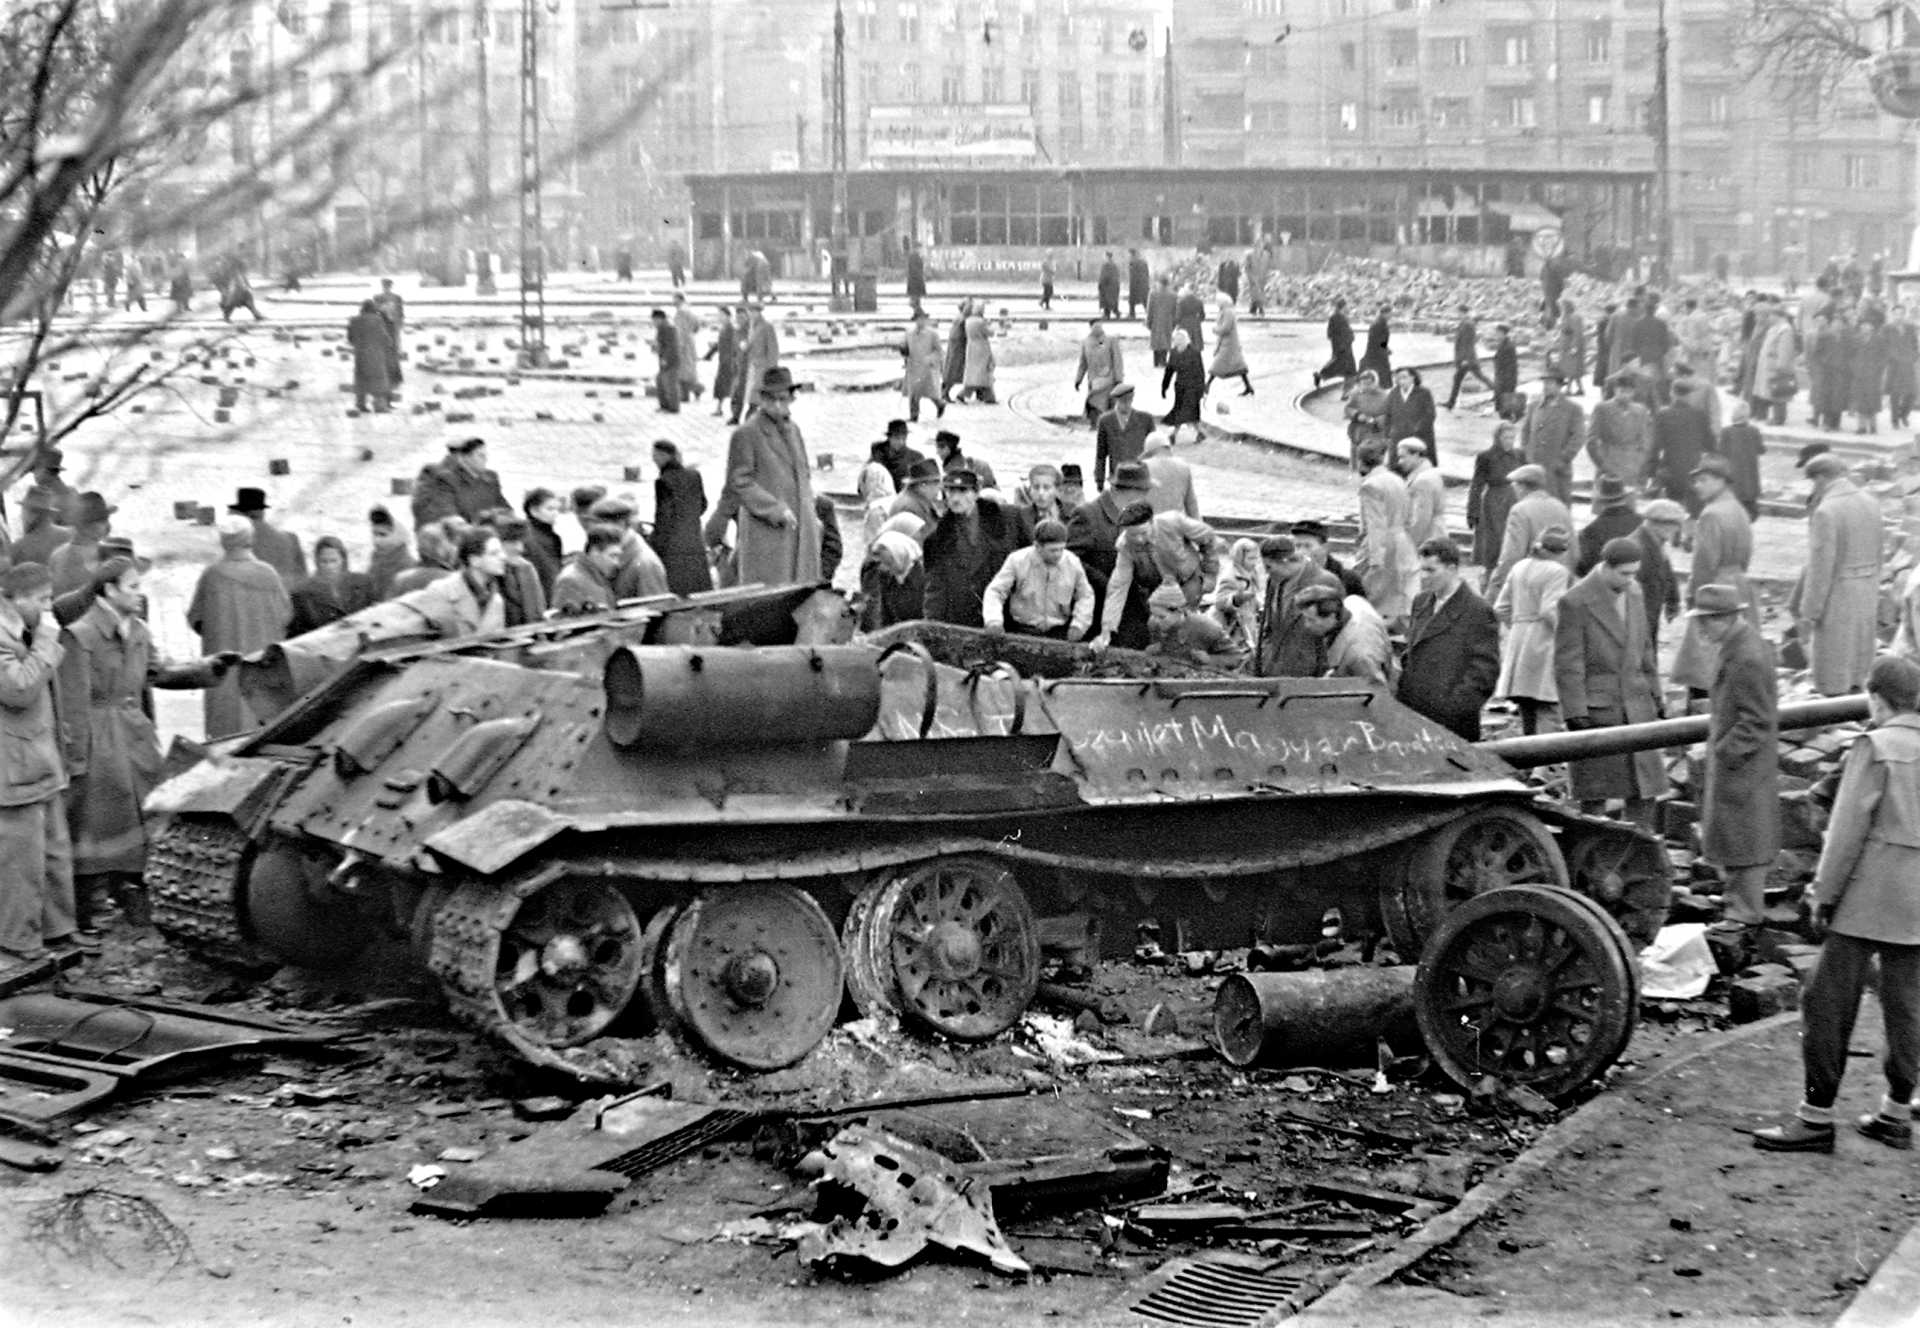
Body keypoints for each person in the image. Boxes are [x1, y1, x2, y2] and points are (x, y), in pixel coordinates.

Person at [1751, 655, 1920, 1154]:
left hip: (1869, 894)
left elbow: (1846, 833)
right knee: (1908, 1007)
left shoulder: (1876, 746)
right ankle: (1895, 1114)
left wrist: (1822, 896)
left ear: (1876, 697)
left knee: (1825, 1002)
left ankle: (1816, 1116)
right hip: (1917, 902)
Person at [58, 557, 231, 931]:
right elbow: (71, 703)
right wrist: (75, 758)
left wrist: (207, 669)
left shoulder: (138, 630)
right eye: (133, 586)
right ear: (109, 590)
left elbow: (158, 673)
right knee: (96, 818)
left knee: (142, 811)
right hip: (97, 735)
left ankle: (128, 890)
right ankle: (92, 902)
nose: (140, 594)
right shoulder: (79, 635)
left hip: (133, 734)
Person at [1556, 536, 1668, 829]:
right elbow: (1568, 663)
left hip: (1638, 706)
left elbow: (1645, 649)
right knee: (1595, 794)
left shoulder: (1635, 593)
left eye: (1634, 573)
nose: (1631, 580)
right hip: (1599, 713)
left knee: (1645, 792)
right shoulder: (1575, 601)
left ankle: (1641, 859)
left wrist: (1656, 695)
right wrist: (1575, 712)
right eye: (1624, 573)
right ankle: (1593, 860)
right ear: (1606, 566)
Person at [1689, 583, 1779, 935]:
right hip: (1742, 764)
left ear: (1724, 618)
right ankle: (1737, 904)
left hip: (1743, 765)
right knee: (1738, 836)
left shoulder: (1746, 657)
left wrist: (1725, 750)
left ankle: (1743, 913)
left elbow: (1758, 719)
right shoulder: (1741, 645)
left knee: (1745, 839)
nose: (1702, 629)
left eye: (1706, 622)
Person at [0, 563, 77, 962]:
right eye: (43, 600)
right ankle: (21, 943)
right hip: (11, 769)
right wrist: (47, 639)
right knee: (21, 864)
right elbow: (17, 689)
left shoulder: (24, 631)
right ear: (18, 599)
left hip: (39, 761)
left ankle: (59, 932)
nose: (49, 608)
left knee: (52, 855)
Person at [187, 517, 292, 739]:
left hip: (223, 674)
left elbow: (195, 619)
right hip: (261, 669)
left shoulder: (212, 576)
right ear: (250, 539)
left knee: (224, 735)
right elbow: (286, 616)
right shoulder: (268, 574)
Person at [1671, 456, 1758, 698]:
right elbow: (1747, 553)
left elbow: (1704, 563)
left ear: (1722, 481)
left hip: (1715, 586)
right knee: (1735, 649)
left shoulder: (1711, 514)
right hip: (1739, 583)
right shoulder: (1737, 508)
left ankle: (1700, 712)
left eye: (1704, 480)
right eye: (1696, 481)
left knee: (1703, 662)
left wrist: (1693, 595)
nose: (1697, 486)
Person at [723, 366, 819, 586]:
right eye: (772, 399)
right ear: (762, 399)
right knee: (771, 598)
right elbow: (740, 482)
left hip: (801, 532)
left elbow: (804, 474)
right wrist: (775, 509)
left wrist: (810, 514)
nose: (778, 405)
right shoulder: (747, 434)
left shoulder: (794, 430)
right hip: (768, 535)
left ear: (791, 399)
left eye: (783, 399)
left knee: (802, 593)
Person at [1399, 538, 1502, 741]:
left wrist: (1453, 708)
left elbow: (1484, 673)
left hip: (1451, 724)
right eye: (1421, 570)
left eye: (1431, 570)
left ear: (1451, 569)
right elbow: (1412, 653)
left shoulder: (1477, 610)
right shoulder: (1421, 602)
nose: (1423, 577)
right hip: (1415, 716)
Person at [1799, 452, 1884, 697]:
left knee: (1832, 666)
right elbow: (1880, 553)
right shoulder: (1870, 502)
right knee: (1859, 661)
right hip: (1866, 590)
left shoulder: (1827, 511)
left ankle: (1832, 715)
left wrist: (1810, 612)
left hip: (1838, 595)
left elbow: (1820, 568)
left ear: (1821, 478)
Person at [1093, 504, 1219, 652]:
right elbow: (1118, 586)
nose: (1139, 540)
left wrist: (1210, 573)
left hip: (1188, 583)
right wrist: (1107, 628)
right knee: (1160, 630)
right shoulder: (1125, 546)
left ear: (1152, 522)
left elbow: (1208, 537)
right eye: (1133, 535)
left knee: (1187, 628)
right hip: (1157, 592)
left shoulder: (1173, 522)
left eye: (1144, 533)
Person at [1494, 526, 1575, 736]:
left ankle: (1530, 761)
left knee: (1526, 705)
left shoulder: (1519, 567)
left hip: (1519, 642)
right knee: (1548, 706)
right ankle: (1545, 765)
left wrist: (1520, 626)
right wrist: (1566, 637)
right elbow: (1549, 610)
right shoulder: (1558, 572)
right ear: (1562, 551)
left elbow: (1501, 608)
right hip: (1543, 643)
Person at [1067, 461, 1153, 641]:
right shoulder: (1087, 515)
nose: (1147, 496)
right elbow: (1069, 560)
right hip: (1099, 613)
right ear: (1127, 491)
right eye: (1143, 492)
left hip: (1137, 612)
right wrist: (1103, 582)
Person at [920, 469, 1018, 627]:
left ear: (977, 491)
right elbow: (934, 590)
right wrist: (930, 625)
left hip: (1003, 618)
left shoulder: (1007, 519)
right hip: (962, 621)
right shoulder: (936, 540)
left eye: (963, 491)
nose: (956, 498)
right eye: (950, 491)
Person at [982, 520, 1094, 641]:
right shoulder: (1017, 560)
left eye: (1061, 549)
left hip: (1058, 633)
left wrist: (1079, 625)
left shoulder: (1072, 563)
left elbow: (1086, 596)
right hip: (1022, 630)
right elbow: (995, 591)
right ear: (1037, 546)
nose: (1059, 554)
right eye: (1053, 550)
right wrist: (993, 620)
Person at [1486, 464, 1574, 607]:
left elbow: (1511, 557)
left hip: (1529, 591)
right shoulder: (1561, 508)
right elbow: (1574, 553)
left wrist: (1493, 592)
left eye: (1514, 485)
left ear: (1521, 487)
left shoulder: (1520, 510)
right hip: (1559, 588)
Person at [1254, 535, 1341, 677]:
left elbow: (1332, 633)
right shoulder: (1275, 580)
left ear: (1285, 561)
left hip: (1308, 674)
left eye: (1268, 567)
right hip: (1275, 669)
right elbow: (1269, 626)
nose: (1267, 573)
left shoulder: (1324, 582)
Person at [401, 528, 509, 638]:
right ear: (474, 560)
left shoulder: (495, 599)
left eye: (501, 552)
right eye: (494, 553)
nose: (503, 557)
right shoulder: (441, 591)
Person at [1355, 440, 1418, 621]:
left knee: (1372, 598)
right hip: (1402, 541)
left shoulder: (1370, 486)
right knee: (1399, 596)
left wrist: (1375, 558)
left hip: (1381, 545)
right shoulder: (1397, 480)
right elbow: (1409, 517)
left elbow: (1375, 524)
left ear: (1360, 461)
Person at [1296, 584, 1394, 685]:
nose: (1307, 625)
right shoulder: (1354, 602)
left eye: (1311, 620)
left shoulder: (1360, 656)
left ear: (1331, 616)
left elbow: (1377, 693)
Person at [649, 440, 710, 597]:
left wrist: (655, 544)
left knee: (678, 590)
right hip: (694, 539)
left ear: (664, 456)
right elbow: (703, 505)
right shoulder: (694, 475)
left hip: (673, 546)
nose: (653, 460)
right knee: (698, 586)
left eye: (655, 456)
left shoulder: (663, 481)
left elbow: (664, 517)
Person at [413, 437, 508, 529]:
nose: (485, 460)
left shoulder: (490, 477)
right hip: (456, 533)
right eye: (480, 455)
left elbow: (504, 508)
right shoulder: (440, 476)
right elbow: (436, 512)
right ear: (463, 456)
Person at [1586, 371, 1654, 499]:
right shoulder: (1602, 408)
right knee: (1606, 503)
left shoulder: (1640, 411)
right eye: (1622, 391)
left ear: (1633, 393)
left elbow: (1645, 440)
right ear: (1615, 390)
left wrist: (1638, 462)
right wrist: (1602, 464)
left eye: (1629, 392)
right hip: (1608, 461)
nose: (1625, 395)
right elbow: (1591, 440)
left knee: (1628, 506)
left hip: (1631, 465)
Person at [287, 536, 376, 634]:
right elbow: (296, 632)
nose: (329, 566)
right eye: (324, 561)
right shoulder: (302, 593)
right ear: (317, 562)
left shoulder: (363, 583)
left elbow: (374, 617)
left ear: (343, 560)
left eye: (333, 561)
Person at [1469, 421, 1523, 578]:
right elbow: (1476, 485)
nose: (1509, 442)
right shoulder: (1486, 457)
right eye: (1506, 438)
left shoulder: (1519, 455)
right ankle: (1488, 575)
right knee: (1492, 541)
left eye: (1512, 438)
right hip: (1493, 502)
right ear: (1497, 438)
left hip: (1514, 499)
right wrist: (1472, 510)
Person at [1145, 582, 1244, 668]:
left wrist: (1209, 660)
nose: (1156, 620)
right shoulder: (1153, 625)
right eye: (1153, 615)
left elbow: (1236, 658)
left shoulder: (1208, 628)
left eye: (1161, 617)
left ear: (1179, 611)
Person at [1523, 371, 1585, 505]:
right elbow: (1525, 432)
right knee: (1534, 506)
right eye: (1544, 383)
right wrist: (1527, 455)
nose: (1545, 386)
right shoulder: (1534, 406)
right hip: (1536, 466)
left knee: (1558, 506)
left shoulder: (1572, 409)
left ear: (1559, 386)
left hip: (1557, 469)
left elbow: (1578, 437)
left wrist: (1563, 459)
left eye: (1550, 383)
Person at [1654, 380, 1716, 514]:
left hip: (1672, 468)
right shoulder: (1700, 415)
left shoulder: (1663, 414)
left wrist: (1652, 470)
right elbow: (1711, 444)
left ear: (1672, 393)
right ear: (1689, 395)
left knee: (1672, 510)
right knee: (1694, 511)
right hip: (1695, 470)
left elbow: (1655, 445)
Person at [1632, 498, 1686, 644]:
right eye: (1675, 524)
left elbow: (1667, 572)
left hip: (1650, 614)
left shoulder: (1656, 543)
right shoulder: (1638, 549)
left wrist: (1673, 601)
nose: (1678, 529)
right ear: (1658, 524)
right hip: (1638, 618)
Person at [229, 487, 305, 585]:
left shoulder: (240, 541)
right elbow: (302, 578)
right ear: (262, 512)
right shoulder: (290, 539)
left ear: (241, 514)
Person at [858, 526, 927, 631]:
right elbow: (885, 614)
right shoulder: (885, 577)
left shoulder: (924, 577)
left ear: (900, 556)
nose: (884, 568)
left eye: (889, 563)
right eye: (882, 563)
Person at [551, 525, 625, 615]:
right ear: (594, 552)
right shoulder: (570, 582)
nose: (616, 562)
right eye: (612, 556)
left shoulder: (599, 576)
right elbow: (565, 624)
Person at [1576, 476, 1641, 574]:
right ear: (1624, 496)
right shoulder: (1642, 521)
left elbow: (1585, 569)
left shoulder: (1592, 530)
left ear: (1600, 500)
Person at [1094, 383, 1154, 490]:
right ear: (1116, 401)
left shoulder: (1145, 420)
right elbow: (1101, 454)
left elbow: (1153, 452)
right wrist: (1100, 480)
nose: (1127, 404)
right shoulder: (1106, 421)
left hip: (1139, 477)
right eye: (1123, 401)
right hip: (1117, 478)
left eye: (1129, 401)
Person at [1211, 538, 1266, 651]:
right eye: (1251, 558)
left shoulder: (1250, 572)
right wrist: (1236, 599)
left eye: (1256, 558)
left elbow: (1254, 595)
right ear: (1240, 557)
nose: (1254, 562)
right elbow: (1220, 601)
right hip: (1235, 627)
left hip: (1248, 621)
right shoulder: (1230, 576)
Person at [1290, 519, 1367, 599]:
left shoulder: (1349, 579)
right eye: (1297, 546)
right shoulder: (1287, 577)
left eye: (1308, 546)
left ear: (1325, 547)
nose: (1302, 552)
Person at [1718, 399, 1765, 518]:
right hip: (1750, 473)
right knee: (1749, 506)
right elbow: (1761, 450)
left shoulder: (1726, 432)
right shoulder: (1754, 431)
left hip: (1733, 473)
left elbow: (1721, 451)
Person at [347, 299, 395, 413]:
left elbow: (350, 338)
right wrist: (389, 344)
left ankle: (360, 404)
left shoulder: (354, 320)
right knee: (378, 379)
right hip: (375, 354)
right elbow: (384, 336)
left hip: (360, 354)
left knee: (361, 379)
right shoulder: (377, 320)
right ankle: (379, 406)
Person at [1441, 304, 1493, 409]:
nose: (1457, 314)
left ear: (1462, 312)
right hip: (1468, 357)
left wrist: (1465, 359)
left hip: (1467, 359)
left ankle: (1451, 403)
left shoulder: (1467, 324)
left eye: (1458, 312)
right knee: (1477, 377)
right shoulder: (1466, 323)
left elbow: (1467, 343)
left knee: (1476, 377)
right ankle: (1450, 403)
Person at [737, 301, 780, 424]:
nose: (751, 314)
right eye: (750, 312)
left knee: (756, 395)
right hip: (753, 365)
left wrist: (772, 368)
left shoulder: (766, 326)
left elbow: (773, 349)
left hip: (763, 366)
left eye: (754, 312)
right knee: (755, 395)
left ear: (759, 312)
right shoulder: (751, 326)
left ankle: (750, 419)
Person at [1076, 318, 1125, 426]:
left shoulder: (1111, 340)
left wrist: (1119, 378)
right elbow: (1083, 363)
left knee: (1107, 404)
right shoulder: (1086, 342)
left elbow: (1117, 360)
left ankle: (1108, 426)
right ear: (1091, 328)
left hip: (1109, 379)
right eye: (1095, 327)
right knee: (1093, 402)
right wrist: (1078, 379)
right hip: (1093, 380)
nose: (1098, 329)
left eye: (1100, 326)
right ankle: (1094, 424)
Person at [1399, 439, 1447, 549]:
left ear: (1416, 455)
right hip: (1434, 534)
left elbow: (1421, 518)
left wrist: (1410, 545)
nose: (1400, 462)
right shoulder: (1429, 474)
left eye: (1403, 457)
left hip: (1428, 537)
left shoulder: (1422, 480)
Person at [1161, 327, 1206, 441]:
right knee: (1186, 412)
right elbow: (1169, 371)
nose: (1179, 343)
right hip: (1180, 387)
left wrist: (1201, 389)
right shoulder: (1174, 353)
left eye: (1181, 341)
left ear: (1186, 341)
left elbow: (1200, 372)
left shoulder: (1194, 353)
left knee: (1184, 411)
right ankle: (1199, 432)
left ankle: (1173, 435)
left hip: (1192, 387)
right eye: (1177, 341)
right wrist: (1164, 387)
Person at [901, 307, 945, 422]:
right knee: (914, 392)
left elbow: (939, 351)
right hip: (914, 366)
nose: (921, 321)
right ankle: (913, 416)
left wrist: (931, 359)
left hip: (927, 368)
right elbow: (905, 348)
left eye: (923, 319)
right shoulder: (909, 333)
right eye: (918, 319)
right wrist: (904, 354)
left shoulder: (932, 334)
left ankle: (940, 404)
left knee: (930, 391)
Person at [1142, 431, 1198, 518]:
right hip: (1176, 525)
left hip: (1150, 525)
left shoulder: (1142, 467)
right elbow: (1191, 505)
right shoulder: (1183, 467)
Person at [12, 487, 69, 571]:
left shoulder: (20, 548)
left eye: (24, 510)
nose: (22, 516)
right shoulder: (70, 535)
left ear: (31, 512)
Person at [521, 489, 565, 596]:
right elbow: (548, 570)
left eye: (557, 509)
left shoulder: (548, 535)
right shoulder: (530, 537)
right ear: (534, 511)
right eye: (550, 509)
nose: (555, 513)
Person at [367, 505, 417, 598]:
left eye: (383, 535)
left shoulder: (408, 565)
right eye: (374, 534)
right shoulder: (375, 560)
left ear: (399, 535)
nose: (376, 540)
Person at [1344, 368, 1389, 467]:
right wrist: (1357, 415)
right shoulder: (1355, 394)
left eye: (1369, 384)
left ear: (1375, 383)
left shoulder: (1384, 396)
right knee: (1356, 456)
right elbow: (1348, 408)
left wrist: (1375, 420)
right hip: (1358, 431)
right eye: (1363, 384)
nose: (1366, 387)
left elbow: (1389, 415)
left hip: (1375, 433)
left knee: (1373, 457)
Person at [1209, 295, 1252, 397]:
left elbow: (1226, 328)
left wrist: (1215, 329)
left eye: (1218, 302)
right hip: (1228, 343)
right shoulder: (1227, 311)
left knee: (1217, 365)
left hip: (1228, 344)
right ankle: (1248, 386)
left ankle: (1206, 386)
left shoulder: (1227, 312)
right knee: (1239, 366)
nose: (1217, 304)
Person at [889, 458, 945, 536]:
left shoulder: (919, 501)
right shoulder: (910, 507)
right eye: (936, 482)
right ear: (922, 485)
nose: (940, 487)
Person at [1010, 464, 1063, 544]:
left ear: (1057, 490)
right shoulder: (1020, 517)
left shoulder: (1072, 513)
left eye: (1047, 488)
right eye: (1036, 487)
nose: (1040, 493)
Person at [958, 302, 996, 404]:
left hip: (971, 347)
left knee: (975, 372)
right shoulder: (981, 322)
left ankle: (989, 396)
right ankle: (963, 394)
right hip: (981, 347)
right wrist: (989, 324)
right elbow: (990, 333)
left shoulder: (968, 321)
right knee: (983, 371)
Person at [1315, 297, 1357, 388]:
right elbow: (1343, 331)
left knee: (1337, 363)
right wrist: (1349, 338)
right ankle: (1347, 392)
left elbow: (1330, 333)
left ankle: (1321, 375)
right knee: (1348, 368)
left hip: (1341, 345)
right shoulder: (1339, 316)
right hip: (1343, 346)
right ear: (1344, 306)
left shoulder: (1335, 315)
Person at [371, 278, 404, 386]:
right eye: (386, 286)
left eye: (386, 286)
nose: (386, 288)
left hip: (388, 327)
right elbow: (400, 314)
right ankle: (392, 375)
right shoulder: (392, 298)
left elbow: (400, 314)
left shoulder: (380, 298)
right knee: (390, 350)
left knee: (387, 350)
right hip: (388, 326)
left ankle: (388, 374)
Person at [650, 308, 682, 413]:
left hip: (671, 360)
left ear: (659, 319)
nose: (653, 323)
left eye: (654, 320)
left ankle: (673, 408)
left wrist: (665, 358)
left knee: (670, 384)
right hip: (664, 360)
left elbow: (671, 346)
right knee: (661, 381)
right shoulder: (662, 328)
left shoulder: (668, 328)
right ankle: (664, 405)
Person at [1555, 298, 1589, 395]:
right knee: (1571, 369)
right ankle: (1580, 389)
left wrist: (1574, 346)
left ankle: (1569, 389)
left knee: (1572, 369)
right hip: (1565, 346)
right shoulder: (1564, 317)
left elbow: (1577, 333)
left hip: (1572, 346)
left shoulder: (1575, 318)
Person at [1357, 305, 1392, 387]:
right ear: (1385, 313)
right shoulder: (1379, 324)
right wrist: (1384, 349)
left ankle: (1372, 385)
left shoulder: (1380, 322)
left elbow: (1382, 340)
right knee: (1380, 371)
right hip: (1377, 352)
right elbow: (1379, 340)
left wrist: (1386, 347)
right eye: (1390, 314)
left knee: (1372, 369)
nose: (1391, 316)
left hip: (1376, 351)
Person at [1147, 273, 1177, 369]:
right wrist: (1174, 323)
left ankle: (1156, 361)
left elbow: (1150, 309)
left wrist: (1149, 322)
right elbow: (1175, 311)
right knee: (1166, 341)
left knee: (1156, 342)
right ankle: (1163, 361)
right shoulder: (1173, 295)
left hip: (1156, 320)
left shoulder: (1153, 294)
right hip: (1168, 321)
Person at [1174, 285, 1207, 357]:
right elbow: (1203, 315)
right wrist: (1198, 320)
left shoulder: (1182, 301)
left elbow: (1178, 315)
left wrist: (1177, 323)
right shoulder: (1199, 301)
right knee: (1196, 345)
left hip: (1184, 324)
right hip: (1195, 324)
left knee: (1184, 345)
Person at [1245, 241, 1272, 317]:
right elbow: (1247, 267)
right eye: (1258, 246)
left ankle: (1253, 307)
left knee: (1259, 293)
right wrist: (1250, 276)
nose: (1260, 247)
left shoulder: (1266, 255)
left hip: (1262, 278)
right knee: (1257, 293)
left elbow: (1268, 267)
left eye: (1261, 246)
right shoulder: (1250, 255)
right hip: (1253, 277)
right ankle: (1261, 309)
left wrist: (1267, 276)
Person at [1127, 249, 1150, 320]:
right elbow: (1147, 273)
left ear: (1131, 254)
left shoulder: (1132, 262)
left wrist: (1131, 285)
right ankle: (1149, 314)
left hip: (1136, 285)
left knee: (1132, 301)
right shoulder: (1144, 262)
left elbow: (1133, 275)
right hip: (1144, 284)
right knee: (1145, 301)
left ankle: (1132, 314)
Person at [1097, 251, 1121, 320]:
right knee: (1113, 300)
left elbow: (1104, 276)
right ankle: (1116, 312)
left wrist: (1100, 284)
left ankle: (1107, 314)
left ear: (1107, 256)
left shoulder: (1106, 265)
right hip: (1114, 285)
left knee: (1106, 300)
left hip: (1107, 285)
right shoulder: (1115, 264)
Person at [904, 241, 926, 308]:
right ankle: (918, 312)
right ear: (917, 248)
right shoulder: (914, 256)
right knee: (915, 298)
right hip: (915, 281)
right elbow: (914, 269)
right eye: (920, 248)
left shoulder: (916, 255)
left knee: (917, 298)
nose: (921, 250)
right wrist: (920, 276)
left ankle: (919, 313)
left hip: (916, 280)